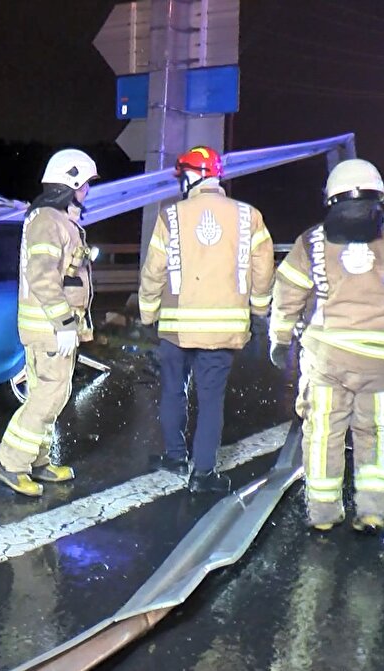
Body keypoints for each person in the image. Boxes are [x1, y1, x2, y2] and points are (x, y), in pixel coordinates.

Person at [271, 158, 384, 533]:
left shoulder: (310, 241)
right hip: (383, 363)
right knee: (378, 432)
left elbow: (288, 294)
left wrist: (280, 338)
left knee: (323, 432)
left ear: (331, 198)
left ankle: (323, 513)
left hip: (327, 359)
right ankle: (373, 510)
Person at [137, 146, 275, 493]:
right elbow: (263, 269)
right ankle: (203, 474)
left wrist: (148, 312)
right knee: (211, 398)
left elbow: (153, 270)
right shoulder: (249, 216)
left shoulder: (171, 216)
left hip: (176, 327)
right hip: (223, 328)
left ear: (191, 176)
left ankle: (174, 456)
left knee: (173, 390)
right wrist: (259, 310)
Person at [0, 149, 97, 497]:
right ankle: (11, 463)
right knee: (47, 398)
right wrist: (65, 322)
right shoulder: (48, 222)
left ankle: (38, 461)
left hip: (52, 327)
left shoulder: (54, 219)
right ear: (69, 184)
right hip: (50, 328)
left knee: (51, 394)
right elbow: (43, 277)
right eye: (84, 185)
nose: (87, 191)